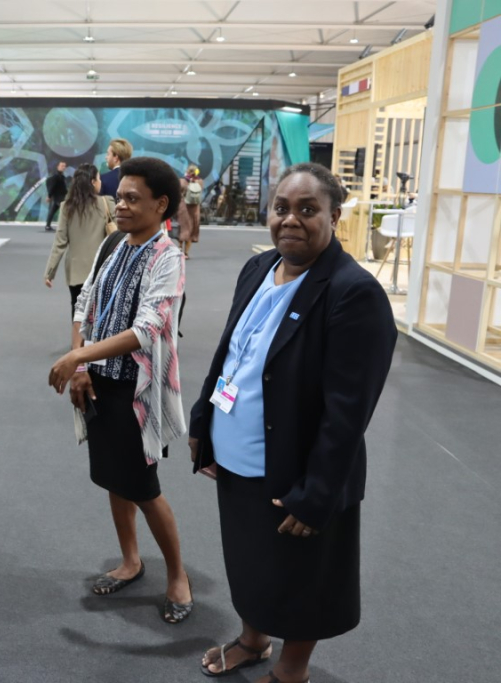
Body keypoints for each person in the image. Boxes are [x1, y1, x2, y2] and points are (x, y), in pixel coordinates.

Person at [188, 163, 397, 683]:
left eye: (308, 210)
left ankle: (291, 671)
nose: (291, 220)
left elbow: (349, 410)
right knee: (249, 560)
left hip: (298, 470)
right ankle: (253, 640)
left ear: (334, 216)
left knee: (303, 576)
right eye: (282, 207)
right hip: (238, 458)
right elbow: (229, 356)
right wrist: (205, 423)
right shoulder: (258, 270)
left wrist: (319, 491)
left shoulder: (353, 293)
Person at [48, 156, 193, 625]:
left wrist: (78, 357)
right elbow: (85, 302)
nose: (122, 206)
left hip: (136, 391)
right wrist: (81, 363)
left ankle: (178, 576)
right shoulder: (113, 242)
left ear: (161, 204)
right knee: (114, 477)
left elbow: (150, 328)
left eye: (133, 199)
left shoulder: (169, 257)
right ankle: (131, 561)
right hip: (98, 384)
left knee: (145, 487)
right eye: (121, 196)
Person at [44, 163, 116, 316]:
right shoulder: (106, 203)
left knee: (77, 309)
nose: (100, 182)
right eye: (98, 178)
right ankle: (97, 340)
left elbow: (60, 242)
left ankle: (77, 340)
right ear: (92, 182)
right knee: (100, 310)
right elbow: (117, 235)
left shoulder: (66, 207)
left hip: (76, 270)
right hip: (101, 268)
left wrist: (50, 272)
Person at [177, 165, 203, 258]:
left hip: (184, 206)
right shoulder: (200, 181)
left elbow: (178, 192)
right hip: (195, 208)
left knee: (183, 227)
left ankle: (179, 248)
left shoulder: (182, 181)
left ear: (187, 171)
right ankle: (186, 252)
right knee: (191, 228)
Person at [44, 160, 68, 231]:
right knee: (65, 211)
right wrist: (49, 196)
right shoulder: (55, 177)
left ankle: (48, 226)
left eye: (64, 166)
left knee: (53, 211)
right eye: (62, 166)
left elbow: (63, 188)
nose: (63, 167)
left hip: (61, 197)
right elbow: (52, 187)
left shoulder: (62, 177)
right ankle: (63, 226)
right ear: (58, 167)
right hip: (59, 197)